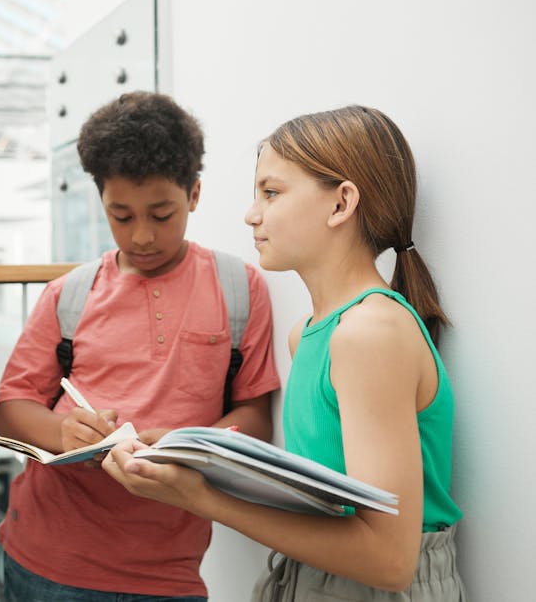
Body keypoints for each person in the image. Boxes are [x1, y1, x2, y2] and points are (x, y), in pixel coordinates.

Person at [104, 105, 467, 601]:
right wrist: (196, 454)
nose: (251, 213)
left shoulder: (369, 334)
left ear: (341, 204)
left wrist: (202, 498)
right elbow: (330, 491)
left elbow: (390, 561)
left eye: (271, 192)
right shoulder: (311, 333)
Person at [0, 91, 281, 600]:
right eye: (121, 216)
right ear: (101, 201)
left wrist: (192, 445)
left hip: (168, 570)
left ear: (194, 194)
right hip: (48, 561)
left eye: (162, 214)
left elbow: (253, 413)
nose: (142, 235)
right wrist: (64, 432)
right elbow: (10, 409)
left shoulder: (239, 289)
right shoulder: (69, 295)